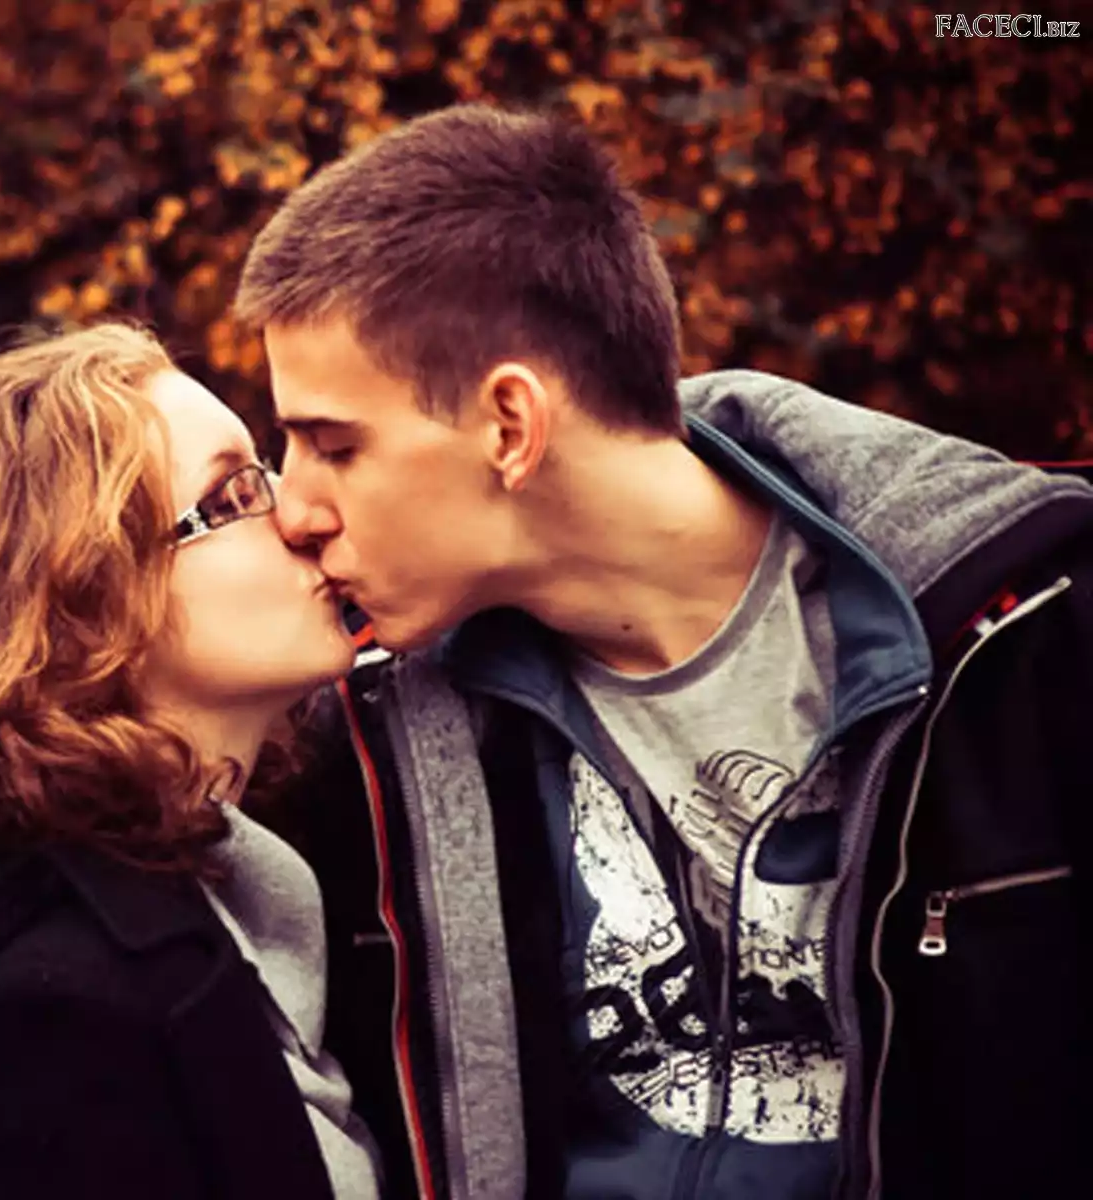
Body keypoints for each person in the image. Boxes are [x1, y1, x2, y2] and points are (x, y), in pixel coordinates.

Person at [234, 103, 1093, 1200]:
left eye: (333, 445)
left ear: (510, 426)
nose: (293, 506)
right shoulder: (368, 732)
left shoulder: (1029, 633)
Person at [0, 323, 383, 1199]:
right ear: (80, 603)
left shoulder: (262, 899)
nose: (302, 515)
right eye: (235, 492)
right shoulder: (53, 1019)